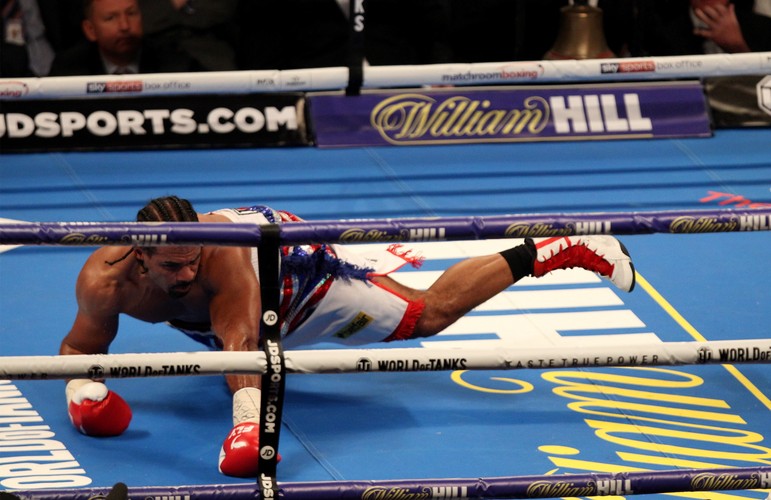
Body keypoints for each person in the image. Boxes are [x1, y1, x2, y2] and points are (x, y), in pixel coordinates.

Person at [60, 196, 636, 478]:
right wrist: (84, 395)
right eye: (172, 268)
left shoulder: (224, 252)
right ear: (139, 255)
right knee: (229, 357)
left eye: (193, 262)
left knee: (428, 315)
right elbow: (81, 348)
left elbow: (241, 337)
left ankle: (560, 247)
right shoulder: (104, 282)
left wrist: (247, 428)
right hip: (234, 323)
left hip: (294, 278)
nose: (186, 274)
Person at [49, 0, 199, 76]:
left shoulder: (174, 63)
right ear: (90, 30)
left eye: (131, 14)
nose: (125, 26)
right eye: (111, 18)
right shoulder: (68, 69)